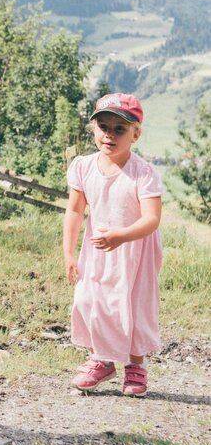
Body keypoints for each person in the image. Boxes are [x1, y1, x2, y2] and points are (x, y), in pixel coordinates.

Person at [63, 93, 162, 397]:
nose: (110, 134)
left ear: (136, 134)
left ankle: (135, 366)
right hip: (98, 248)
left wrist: (121, 235)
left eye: (120, 129)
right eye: (103, 126)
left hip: (134, 250)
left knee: (131, 306)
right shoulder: (83, 167)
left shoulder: (143, 173)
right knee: (89, 301)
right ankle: (101, 359)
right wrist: (68, 252)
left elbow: (152, 219)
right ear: (92, 129)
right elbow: (75, 210)